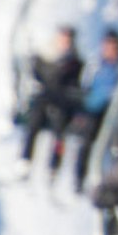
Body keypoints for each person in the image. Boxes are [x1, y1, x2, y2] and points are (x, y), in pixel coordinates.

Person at [19, 25, 84, 181]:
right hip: (44, 97)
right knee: (34, 121)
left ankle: (54, 164)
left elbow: (76, 86)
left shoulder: (75, 63)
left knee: (59, 128)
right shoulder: (44, 56)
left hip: (62, 102)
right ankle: (25, 158)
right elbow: (35, 78)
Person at [72, 30, 118, 193]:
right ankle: (80, 177)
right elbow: (84, 89)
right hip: (94, 111)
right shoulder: (95, 65)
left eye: (114, 45)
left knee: (117, 144)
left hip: (117, 113)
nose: (111, 49)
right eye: (108, 45)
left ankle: (113, 182)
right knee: (87, 138)